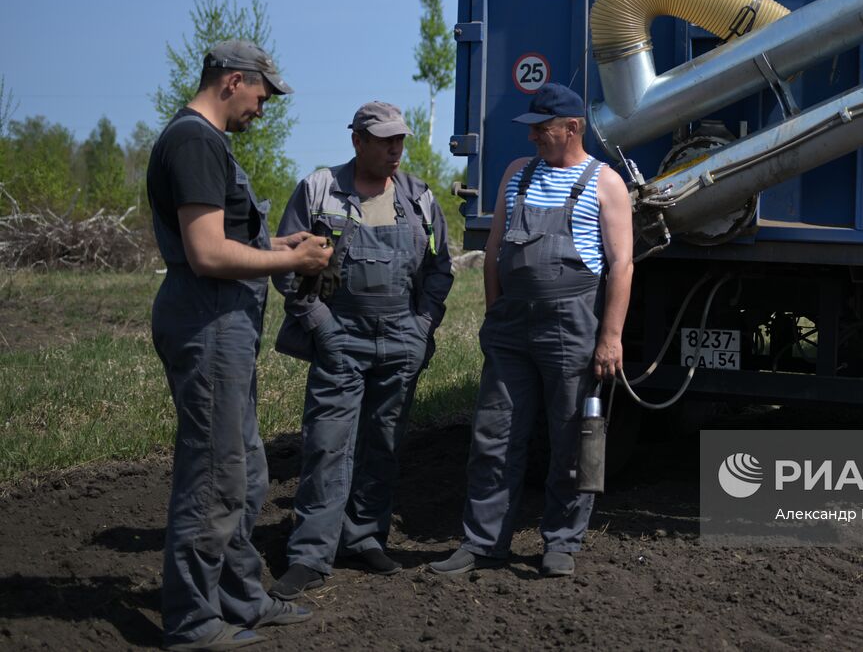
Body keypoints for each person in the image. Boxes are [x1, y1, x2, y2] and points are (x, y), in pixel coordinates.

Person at [147, 39, 333, 651]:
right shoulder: (195, 141)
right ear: (232, 80)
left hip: (224, 322)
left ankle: (241, 598)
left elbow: (225, 240)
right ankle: (194, 622)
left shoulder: (208, 142)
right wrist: (288, 257)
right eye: (261, 94)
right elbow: (205, 252)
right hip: (207, 323)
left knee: (247, 470)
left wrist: (284, 249)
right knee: (214, 476)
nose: (264, 106)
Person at [431, 82, 632, 578]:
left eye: (544, 129)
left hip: (571, 324)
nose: (536, 137)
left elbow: (622, 264)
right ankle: (482, 543)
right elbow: (496, 250)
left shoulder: (605, 182)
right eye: (534, 128)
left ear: (573, 129)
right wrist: (495, 312)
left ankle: (562, 541)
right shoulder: (517, 175)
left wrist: (610, 336)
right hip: (511, 326)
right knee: (494, 435)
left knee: (571, 437)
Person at [267, 102, 455, 599]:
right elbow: (284, 265)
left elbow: (440, 270)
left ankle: (365, 537)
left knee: (384, 444)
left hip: (401, 336)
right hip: (339, 335)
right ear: (358, 141)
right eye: (385, 140)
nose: (396, 149)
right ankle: (310, 554)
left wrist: (421, 327)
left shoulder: (419, 198)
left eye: (401, 140)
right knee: (328, 444)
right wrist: (320, 326)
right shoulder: (320, 189)